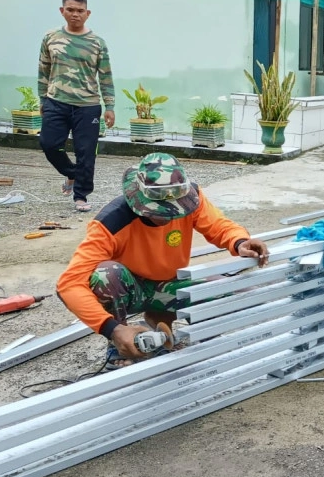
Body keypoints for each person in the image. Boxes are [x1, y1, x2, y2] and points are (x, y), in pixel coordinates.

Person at [56, 153, 270, 369]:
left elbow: (219, 226)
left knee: (231, 293)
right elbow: (69, 284)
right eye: (160, 211)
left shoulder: (192, 198)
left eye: (174, 210)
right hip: (131, 290)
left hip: (170, 284)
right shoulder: (110, 223)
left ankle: (165, 321)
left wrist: (240, 241)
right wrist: (112, 329)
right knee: (106, 274)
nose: (169, 216)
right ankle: (120, 344)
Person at [38, 0, 116, 213]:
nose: (75, 14)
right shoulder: (50, 38)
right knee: (49, 143)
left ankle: (81, 195)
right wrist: (42, 98)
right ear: (62, 11)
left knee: (86, 152)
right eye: (70, 10)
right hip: (56, 101)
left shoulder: (97, 43)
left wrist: (109, 106)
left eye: (80, 11)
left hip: (88, 105)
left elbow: (106, 76)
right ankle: (71, 173)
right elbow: (43, 68)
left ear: (87, 13)